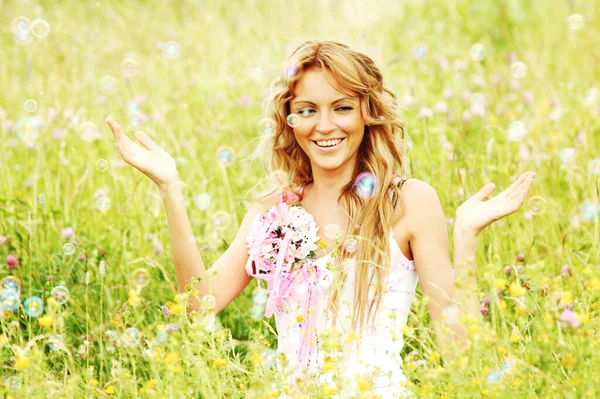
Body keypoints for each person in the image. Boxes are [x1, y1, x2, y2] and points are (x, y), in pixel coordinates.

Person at [106, 40, 536, 397]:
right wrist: (170, 190)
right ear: (289, 120)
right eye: (308, 109)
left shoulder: (408, 202)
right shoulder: (276, 206)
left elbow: (460, 351)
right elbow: (198, 306)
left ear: (368, 113)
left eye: (342, 108)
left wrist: (465, 235)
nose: (324, 125)